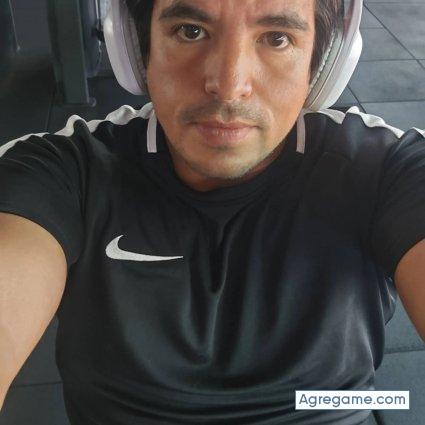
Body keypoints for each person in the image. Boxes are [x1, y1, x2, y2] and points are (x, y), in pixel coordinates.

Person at [0, 0, 424, 424]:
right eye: (190, 31)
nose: (229, 85)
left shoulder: (385, 169)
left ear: (323, 61)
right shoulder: (62, 173)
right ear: (136, 48)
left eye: (276, 39)